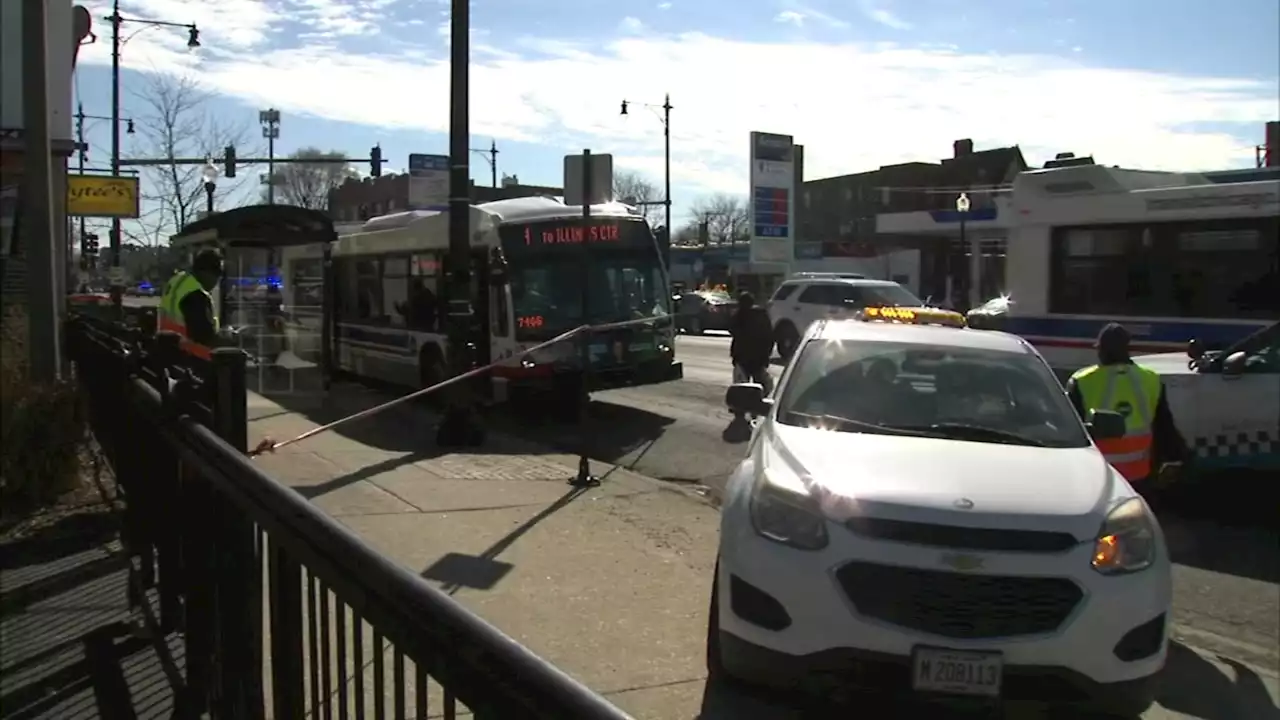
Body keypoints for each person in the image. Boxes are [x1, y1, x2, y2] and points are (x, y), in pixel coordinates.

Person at [1066, 323, 1188, 487]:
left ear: (1101, 350)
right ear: (1126, 349)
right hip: (1140, 476)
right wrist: (1176, 457)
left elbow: (1069, 431)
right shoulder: (1150, 379)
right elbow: (1164, 425)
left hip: (1099, 474)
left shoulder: (1082, 381)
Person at [157, 248, 226, 359]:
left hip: (169, 353)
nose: (217, 281)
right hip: (193, 360)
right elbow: (203, 336)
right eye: (218, 274)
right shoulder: (195, 295)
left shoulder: (177, 281)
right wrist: (230, 340)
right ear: (205, 272)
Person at [729, 292, 775, 415]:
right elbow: (770, 336)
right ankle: (761, 406)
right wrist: (767, 355)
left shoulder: (740, 315)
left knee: (741, 383)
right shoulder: (761, 314)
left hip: (744, 356)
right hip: (757, 356)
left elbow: (732, 329)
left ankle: (740, 407)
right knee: (759, 382)